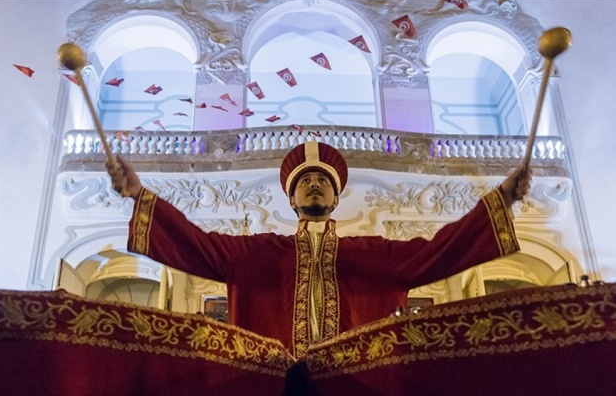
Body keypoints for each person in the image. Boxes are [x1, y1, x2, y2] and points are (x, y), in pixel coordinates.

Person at [107, 141, 531, 358]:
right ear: (291, 200)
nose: (313, 184)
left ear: (335, 198)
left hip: (351, 382)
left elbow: (442, 249)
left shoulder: (372, 253)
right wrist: (138, 194)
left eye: (322, 181)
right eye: (304, 181)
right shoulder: (256, 254)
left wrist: (504, 198)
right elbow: (194, 242)